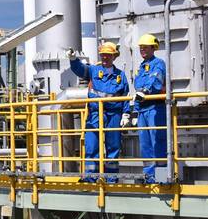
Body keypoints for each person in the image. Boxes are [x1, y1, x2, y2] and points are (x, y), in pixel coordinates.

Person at [70, 42, 129, 183]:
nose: (105, 57)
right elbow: (80, 70)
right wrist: (73, 60)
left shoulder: (120, 75)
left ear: (114, 56)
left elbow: (126, 96)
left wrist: (126, 114)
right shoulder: (94, 71)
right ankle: (90, 176)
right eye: (103, 55)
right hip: (96, 113)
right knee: (91, 147)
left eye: (108, 55)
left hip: (114, 114)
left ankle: (111, 178)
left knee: (113, 148)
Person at [131, 33, 168, 183]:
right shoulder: (141, 67)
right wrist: (134, 112)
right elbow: (137, 89)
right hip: (143, 109)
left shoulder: (159, 63)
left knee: (158, 142)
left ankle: (162, 177)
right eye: (141, 47)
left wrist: (145, 91)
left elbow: (155, 81)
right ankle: (149, 176)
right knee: (145, 144)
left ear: (153, 48)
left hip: (155, 108)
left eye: (145, 47)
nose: (142, 50)